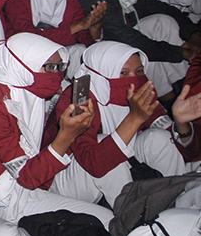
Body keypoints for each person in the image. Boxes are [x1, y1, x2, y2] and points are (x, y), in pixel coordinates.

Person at [0, 33, 114, 236]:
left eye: (60, 67)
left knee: (108, 221)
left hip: (23, 193)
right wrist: (67, 134)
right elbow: (26, 175)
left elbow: (31, 176)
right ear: (22, 65)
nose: (57, 74)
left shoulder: (33, 96)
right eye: (49, 67)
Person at [46, 41, 201, 208]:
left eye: (139, 71)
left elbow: (185, 151)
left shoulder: (142, 88)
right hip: (66, 177)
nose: (134, 79)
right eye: (123, 72)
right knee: (103, 145)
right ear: (103, 72)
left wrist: (180, 122)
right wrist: (135, 118)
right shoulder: (77, 99)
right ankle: (131, 218)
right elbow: (94, 163)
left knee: (159, 138)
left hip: (118, 165)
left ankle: (183, 201)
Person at [79, 0, 201, 102]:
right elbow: (123, 37)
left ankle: (186, 86)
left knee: (162, 22)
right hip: (102, 58)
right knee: (144, 46)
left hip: (127, 48)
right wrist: (181, 52)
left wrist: (195, 36)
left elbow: (170, 11)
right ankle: (169, 99)